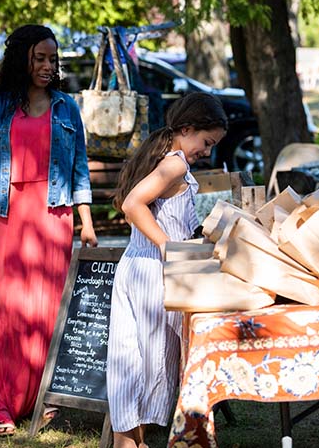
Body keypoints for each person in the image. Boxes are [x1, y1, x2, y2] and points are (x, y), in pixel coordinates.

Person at [0, 24, 98, 437]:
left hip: (55, 215)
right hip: (10, 215)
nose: (47, 66)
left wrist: (86, 222)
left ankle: (43, 399)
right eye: (40, 58)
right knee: (11, 311)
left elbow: (79, 170)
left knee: (49, 310)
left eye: (52, 59)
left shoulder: (66, 108)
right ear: (22, 58)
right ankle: (1, 406)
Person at [106, 92, 228, 448]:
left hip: (139, 268)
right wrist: (167, 246)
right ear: (186, 128)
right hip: (151, 273)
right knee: (144, 362)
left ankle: (130, 442)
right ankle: (128, 443)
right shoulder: (174, 163)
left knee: (133, 360)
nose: (207, 151)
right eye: (206, 142)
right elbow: (133, 205)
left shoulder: (165, 157)